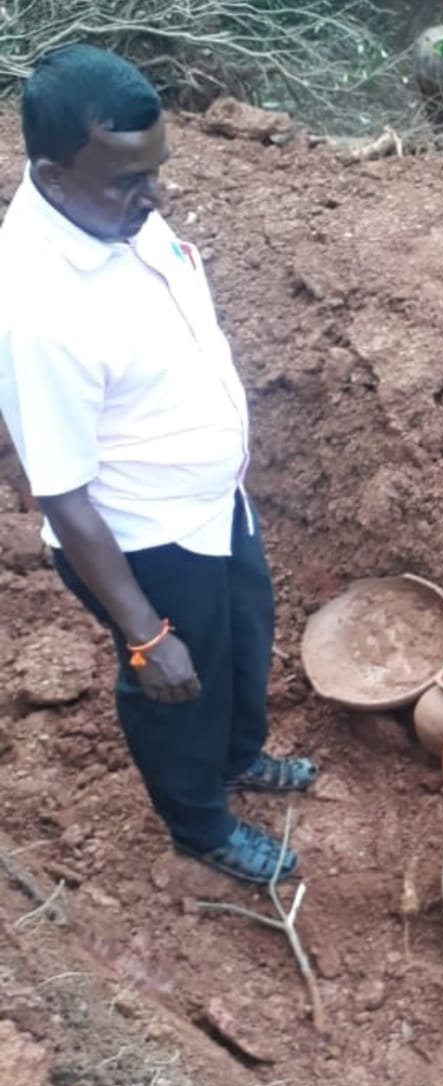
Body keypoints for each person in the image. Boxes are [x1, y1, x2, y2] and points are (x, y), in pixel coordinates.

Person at [0, 45, 315, 884]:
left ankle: (238, 757)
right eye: (127, 183)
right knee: (174, 687)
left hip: (214, 505)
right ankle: (200, 827)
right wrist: (143, 631)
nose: (154, 198)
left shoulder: (119, 209)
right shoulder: (38, 307)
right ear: (54, 178)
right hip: (142, 539)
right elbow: (61, 495)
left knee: (243, 644)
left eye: (156, 173)